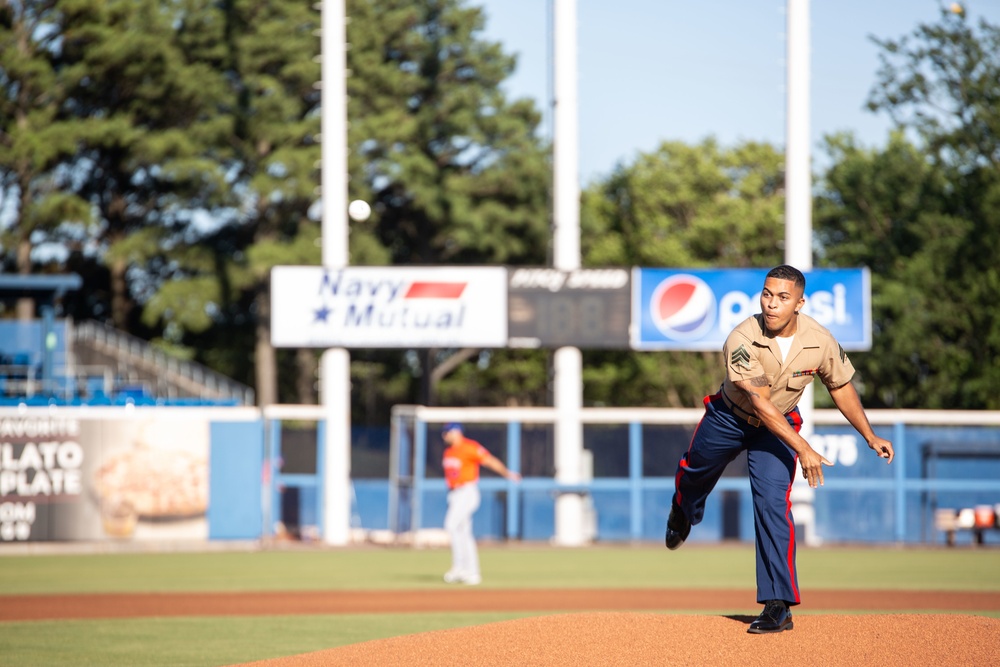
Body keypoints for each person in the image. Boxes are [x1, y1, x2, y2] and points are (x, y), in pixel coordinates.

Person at [664, 265, 894, 634]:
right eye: (767, 294)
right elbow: (758, 401)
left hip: (778, 427)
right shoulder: (741, 337)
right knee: (694, 474)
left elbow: (840, 385)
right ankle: (682, 509)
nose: (772, 304)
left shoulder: (819, 340)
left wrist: (869, 434)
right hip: (730, 418)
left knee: (773, 504)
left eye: (783, 297)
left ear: (800, 303)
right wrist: (804, 448)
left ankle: (778, 606)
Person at [441, 422, 521, 585]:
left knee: (451, 525)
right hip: (454, 494)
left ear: (455, 432)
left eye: (446, 432)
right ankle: (471, 571)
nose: (444, 436)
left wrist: (507, 474)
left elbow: (489, 460)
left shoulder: (469, 447)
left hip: (467, 492)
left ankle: (460, 567)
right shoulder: (449, 452)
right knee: (463, 532)